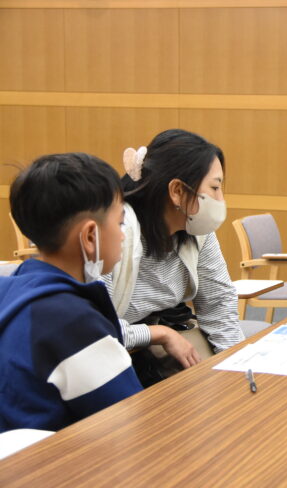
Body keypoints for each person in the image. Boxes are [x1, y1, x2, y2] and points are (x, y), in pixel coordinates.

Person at [0, 153, 143, 431]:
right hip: (52, 467)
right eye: (120, 223)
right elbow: (129, 422)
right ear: (90, 237)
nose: (124, 235)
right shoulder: (73, 322)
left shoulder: (12, 286)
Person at [105, 129, 245, 384]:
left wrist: (238, 370)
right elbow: (92, 330)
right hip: (107, 358)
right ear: (177, 191)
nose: (220, 199)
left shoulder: (197, 230)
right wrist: (158, 334)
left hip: (160, 345)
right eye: (214, 187)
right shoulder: (115, 233)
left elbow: (218, 303)